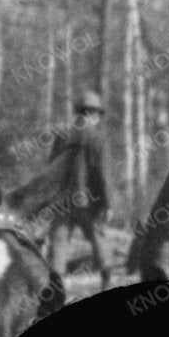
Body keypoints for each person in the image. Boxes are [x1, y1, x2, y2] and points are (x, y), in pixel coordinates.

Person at [43, 92, 114, 284]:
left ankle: (56, 290)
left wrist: (48, 198)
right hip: (88, 201)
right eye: (98, 115)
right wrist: (108, 204)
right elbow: (103, 175)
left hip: (61, 201)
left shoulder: (62, 137)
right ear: (93, 114)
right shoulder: (99, 138)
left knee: (59, 244)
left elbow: (51, 170)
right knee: (98, 239)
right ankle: (107, 281)